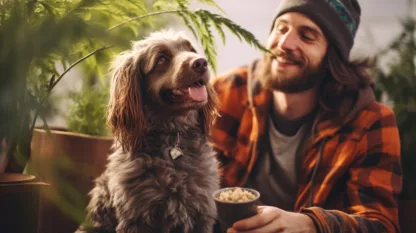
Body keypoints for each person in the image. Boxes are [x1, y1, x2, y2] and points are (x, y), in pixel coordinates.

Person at [210, 0, 403, 232]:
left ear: (333, 55)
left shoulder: (370, 121)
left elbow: (380, 225)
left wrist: (312, 225)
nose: (284, 43)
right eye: (281, 28)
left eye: (307, 36)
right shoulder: (225, 91)